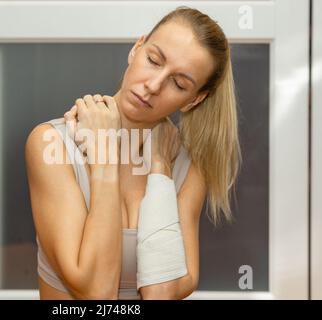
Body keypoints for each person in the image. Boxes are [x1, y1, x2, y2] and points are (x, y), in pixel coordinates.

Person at [25, 6, 242, 300]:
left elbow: (160, 295)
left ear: (193, 100)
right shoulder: (50, 144)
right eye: (153, 60)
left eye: (179, 83)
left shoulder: (190, 167)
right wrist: (104, 155)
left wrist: (161, 171)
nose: (153, 86)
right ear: (136, 48)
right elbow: (95, 293)